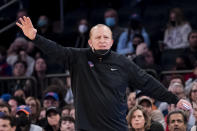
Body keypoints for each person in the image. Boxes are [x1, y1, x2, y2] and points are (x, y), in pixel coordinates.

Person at [17, 16, 189, 131]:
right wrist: (35, 37)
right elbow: (56, 50)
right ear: (90, 42)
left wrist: (174, 99)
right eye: (98, 37)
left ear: (112, 41)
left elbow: (147, 82)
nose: (102, 40)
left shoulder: (122, 62)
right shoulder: (78, 58)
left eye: (106, 37)